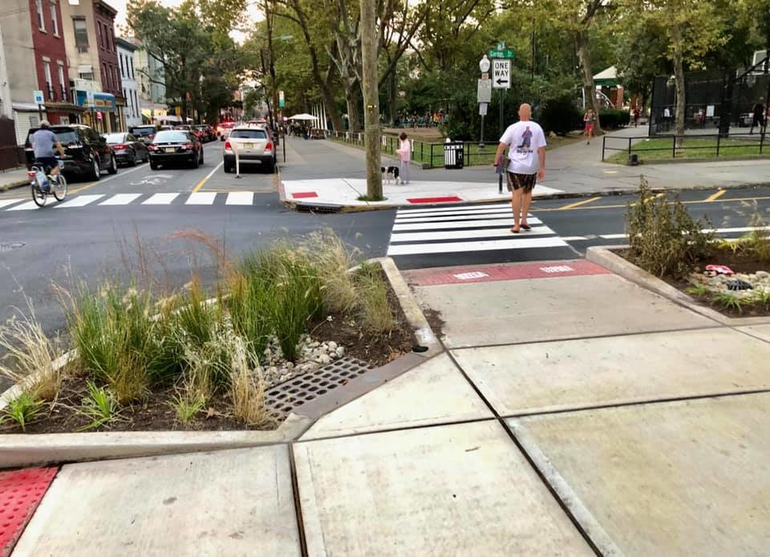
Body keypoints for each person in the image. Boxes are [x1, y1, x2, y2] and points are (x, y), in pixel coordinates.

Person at [493, 103, 547, 234]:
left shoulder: (513, 128)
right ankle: (524, 220)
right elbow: (541, 150)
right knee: (527, 193)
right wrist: (542, 167)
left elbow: (502, 146)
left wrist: (496, 162)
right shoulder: (537, 128)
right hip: (531, 167)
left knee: (516, 195)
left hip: (515, 167)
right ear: (530, 113)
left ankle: (516, 225)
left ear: (518, 113)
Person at [30, 120, 65, 189]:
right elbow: (58, 146)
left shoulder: (34, 134)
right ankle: (51, 175)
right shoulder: (51, 134)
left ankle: (42, 187)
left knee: (42, 170)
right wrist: (62, 154)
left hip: (38, 155)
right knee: (57, 165)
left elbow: (33, 146)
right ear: (48, 126)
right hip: (48, 154)